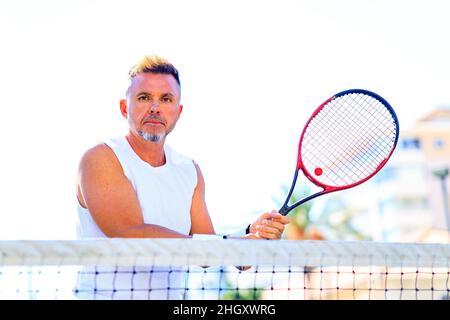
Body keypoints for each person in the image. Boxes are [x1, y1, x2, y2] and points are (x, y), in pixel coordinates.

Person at [75, 55, 290, 299]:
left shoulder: (189, 170)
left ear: (178, 111)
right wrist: (231, 246)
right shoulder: (101, 158)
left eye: (166, 99)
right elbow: (131, 233)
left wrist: (250, 237)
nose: (155, 107)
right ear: (125, 108)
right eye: (144, 97)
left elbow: (206, 250)